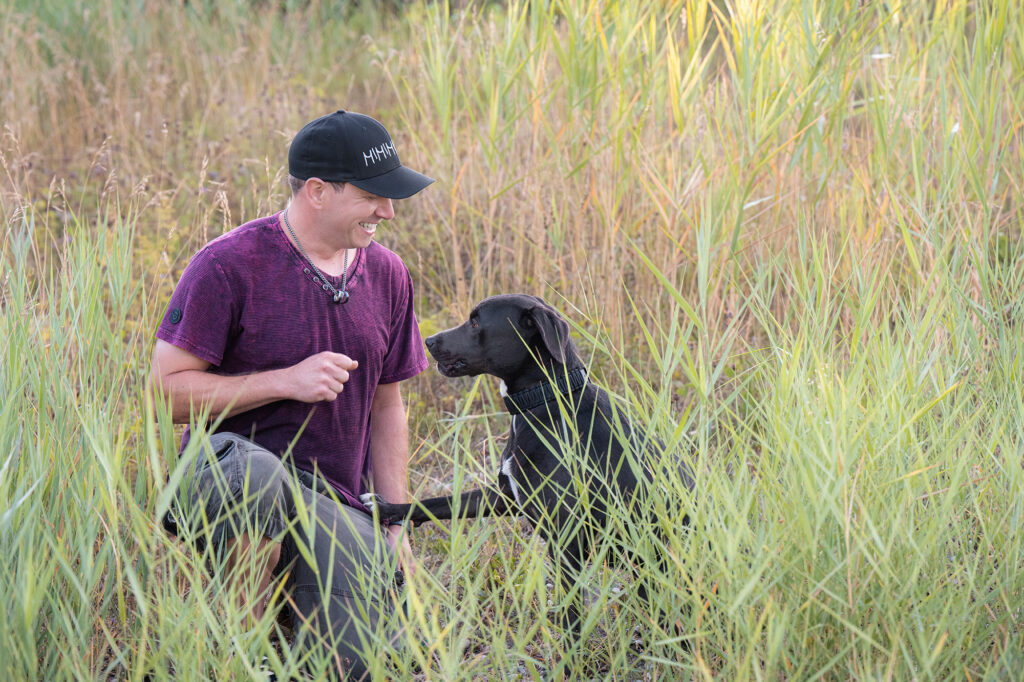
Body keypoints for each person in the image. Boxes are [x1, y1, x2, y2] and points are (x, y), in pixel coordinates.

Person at [150, 110, 433, 679]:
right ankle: (235, 656)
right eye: (373, 195)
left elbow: (387, 406)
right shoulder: (229, 264)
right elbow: (164, 395)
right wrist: (285, 381)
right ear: (318, 191)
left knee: (359, 664)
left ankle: (297, 618)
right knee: (258, 479)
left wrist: (396, 524)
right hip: (227, 476)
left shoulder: (389, 274)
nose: (388, 211)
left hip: (332, 501)